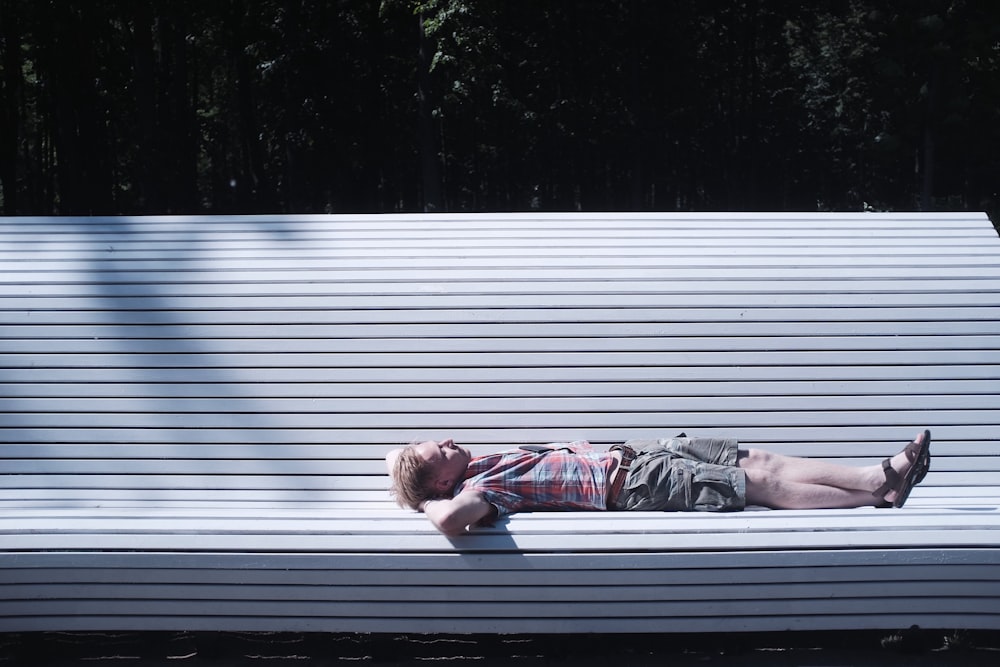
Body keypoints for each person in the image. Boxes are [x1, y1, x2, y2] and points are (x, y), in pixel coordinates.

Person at [387, 430, 932, 536]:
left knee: (757, 456)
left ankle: (877, 482)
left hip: (641, 454)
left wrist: (406, 463)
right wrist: (435, 502)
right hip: (632, 484)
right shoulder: (476, 492)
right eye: (445, 451)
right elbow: (449, 522)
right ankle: (875, 483)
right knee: (756, 483)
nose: (453, 439)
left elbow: (395, 456)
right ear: (441, 482)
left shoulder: (475, 466)